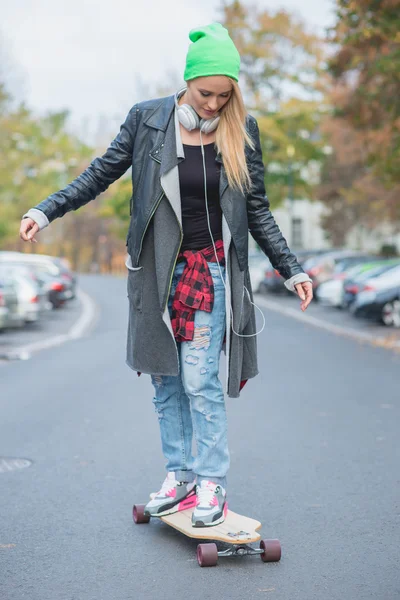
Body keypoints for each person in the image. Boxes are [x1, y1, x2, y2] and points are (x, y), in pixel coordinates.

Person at [20, 22, 313, 527]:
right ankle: (179, 478)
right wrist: (46, 210)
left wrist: (291, 269)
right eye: (205, 94)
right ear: (187, 83)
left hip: (210, 272)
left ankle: (211, 484)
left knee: (200, 380)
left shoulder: (241, 130)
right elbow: (100, 173)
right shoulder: (148, 120)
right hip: (155, 275)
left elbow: (257, 208)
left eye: (225, 96)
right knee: (165, 381)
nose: (213, 106)